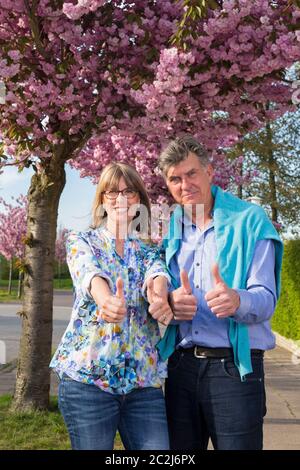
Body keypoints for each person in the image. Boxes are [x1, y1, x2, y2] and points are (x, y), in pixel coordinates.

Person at [156, 135, 283, 450]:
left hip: (234, 372)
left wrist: (238, 299)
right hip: (180, 368)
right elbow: (160, 290)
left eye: (191, 173)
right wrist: (170, 304)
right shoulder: (173, 227)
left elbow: (266, 298)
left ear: (209, 172)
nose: (184, 184)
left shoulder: (250, 220)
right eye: (175, 179)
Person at [50, 162, 173, 450]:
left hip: (143, 385)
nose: (120, 199)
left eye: (128, 192)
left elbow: (157, 276)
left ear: (140, 200)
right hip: (88, 382)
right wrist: (106, 300)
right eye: (111, 192)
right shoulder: (81, 241)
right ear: (102, 200)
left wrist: (159, 297)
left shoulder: (149, 250)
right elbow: (89, 274)